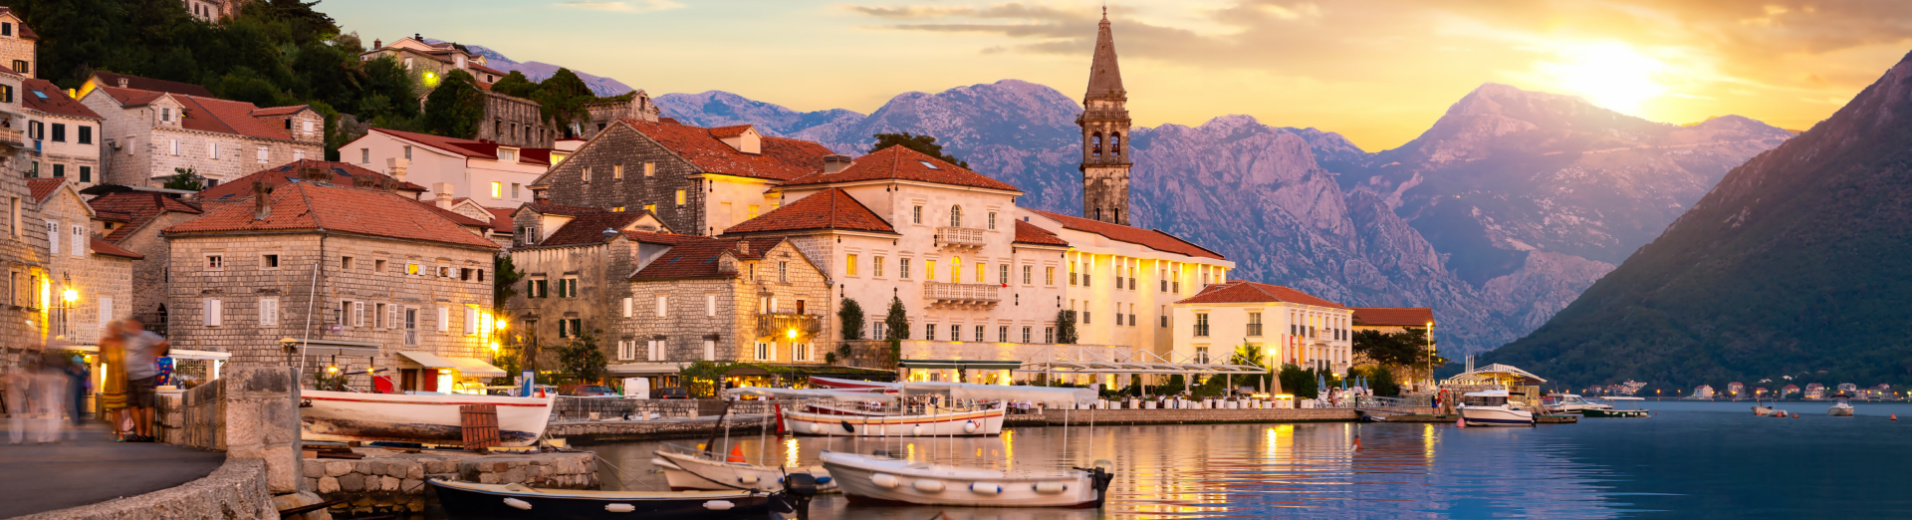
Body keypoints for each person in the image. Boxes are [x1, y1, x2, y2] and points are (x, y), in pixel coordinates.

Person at [122, 317, 170, 442]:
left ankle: (148, 434)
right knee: (133, 405)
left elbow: (164, 343)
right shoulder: (128, 338)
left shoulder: (147, 336)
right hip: (131, 375)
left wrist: (155, 354)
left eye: (130, 324)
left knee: (147, 405)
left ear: (138, 324)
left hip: (145, 375)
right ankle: (139, 432)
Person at [98, 321, 130, 440]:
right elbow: (100, 363)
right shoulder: (105, 343)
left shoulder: (126, 342)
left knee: (125, 407)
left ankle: (118, 427)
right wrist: (100, 350)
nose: (113, 331)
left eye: (115, 329)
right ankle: (120, 433)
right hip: (112, 380)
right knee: (116, 408)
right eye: (111, 329)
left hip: (125, 379)